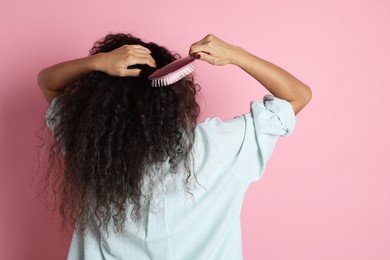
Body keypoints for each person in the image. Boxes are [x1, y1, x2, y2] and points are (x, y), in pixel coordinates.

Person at [38, 33, 311, 260]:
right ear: (172, 98)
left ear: (98, 102)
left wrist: (97, 63)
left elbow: (47, 82)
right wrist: (235, 54)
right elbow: (297, 95)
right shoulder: (219, 146)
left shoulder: (90, 149)